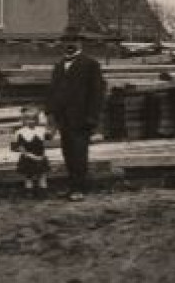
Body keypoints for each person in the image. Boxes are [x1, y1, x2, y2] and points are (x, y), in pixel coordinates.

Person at [45, 29, 105, 201]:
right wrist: (50, 112)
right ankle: (72, 187)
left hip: (81, 119)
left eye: (74, 40)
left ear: (81, 43)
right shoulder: (58, 65)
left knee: (79, 154)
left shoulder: (91, 64)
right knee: (68, 153)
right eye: (67, 40)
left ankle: (80, 189)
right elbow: (53, 91)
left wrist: (92, 117)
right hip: (63, 119)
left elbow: (97, 93)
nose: (70, 44)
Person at [11, 105, 51, 200]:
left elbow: (48, 138)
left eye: (34, 119)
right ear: (23, 120)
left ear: (37, 120)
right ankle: (29, 192)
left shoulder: (41, 130)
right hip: (28, 157)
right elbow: (19, 146)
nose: (31, 122)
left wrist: (49, 129)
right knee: (29, 176)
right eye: (28, 119)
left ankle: (42, 192)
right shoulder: (21, 132)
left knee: (42, 175)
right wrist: (28, 155)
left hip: (40, 156)